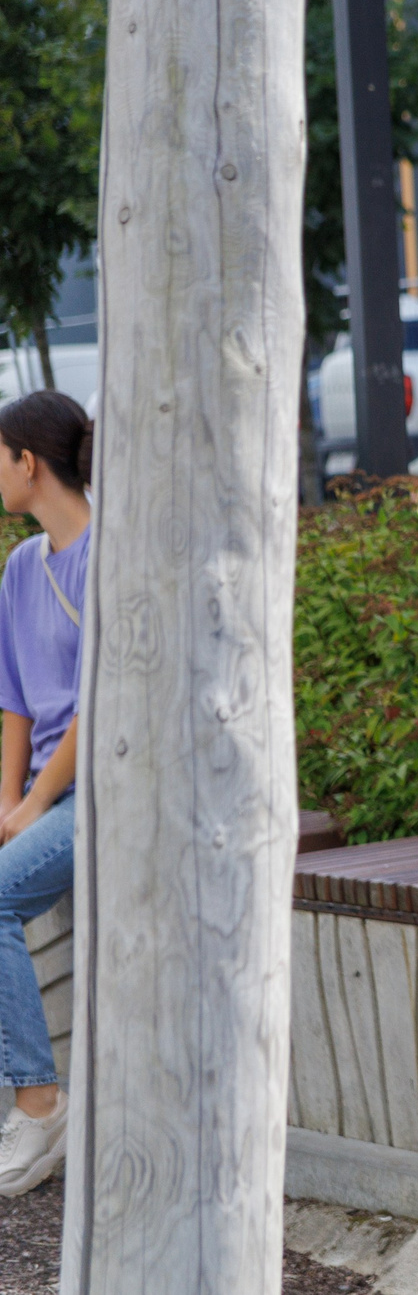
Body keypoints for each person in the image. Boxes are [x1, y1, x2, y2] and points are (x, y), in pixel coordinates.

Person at [0, 391, 90, 1196]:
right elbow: (16, 705)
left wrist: (31, 809)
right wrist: (9, 802)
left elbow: (100, 709)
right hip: (40, 798)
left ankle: (38, 1103)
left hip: (98, 793)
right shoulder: (21, 567)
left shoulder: (109, 559)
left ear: (28, 462)